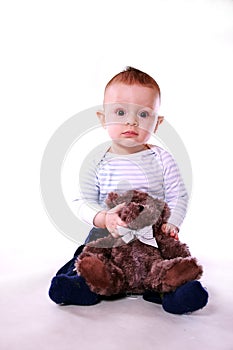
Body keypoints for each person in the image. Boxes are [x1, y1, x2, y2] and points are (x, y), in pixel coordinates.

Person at [48, 67, 208, 314]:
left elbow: (178, 195)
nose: (132, 121)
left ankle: (178, 294)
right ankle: (80, 283)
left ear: (158, 122)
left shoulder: (161, 158)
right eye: (120, 112)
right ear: (103, 118)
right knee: (87, 254)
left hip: (151, 234)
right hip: (111, 232)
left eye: (144, 114)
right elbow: (82, 201)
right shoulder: (97, 161)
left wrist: (172, 223)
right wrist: (104, 218)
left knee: (169, 262)